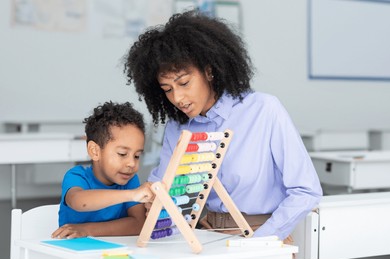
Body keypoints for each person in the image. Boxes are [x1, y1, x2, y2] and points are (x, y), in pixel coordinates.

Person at [123, 10, 322, 244]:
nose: (177, 97)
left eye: (184, 83)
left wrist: (261, 241)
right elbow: (165, 192)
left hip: (261, 235)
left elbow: (306, 190)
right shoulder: (179, 127)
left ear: (209, 71)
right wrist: (153, 197)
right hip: (206, 236)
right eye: (167, 89)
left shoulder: (263, 110)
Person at [51, 101, 154, 239]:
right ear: (95, 151)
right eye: (122, 154)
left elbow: (138, 224)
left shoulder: (129, 181)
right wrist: (132, 195)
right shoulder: (77, 176)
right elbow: (80, 202)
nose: (131, 163)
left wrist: (86, 230)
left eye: (137, 156)